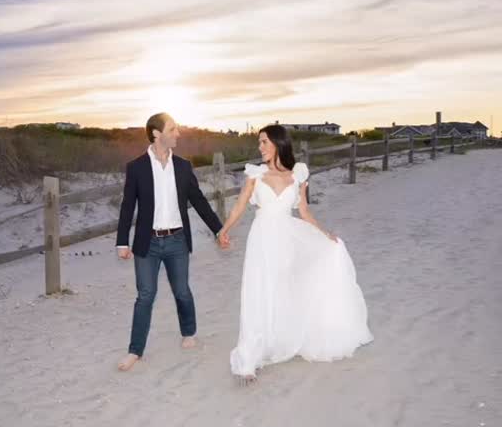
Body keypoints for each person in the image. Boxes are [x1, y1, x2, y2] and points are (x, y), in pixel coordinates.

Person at [220, 124, 373, 383]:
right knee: (257, 292)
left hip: (286, 238)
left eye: (264, 142)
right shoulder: (255, 174)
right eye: (259, 143)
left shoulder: (298, 175)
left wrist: (326, 235)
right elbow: (239, 205)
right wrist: (223, 230)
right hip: (261, 238)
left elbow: (303, 212)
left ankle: (281, 339)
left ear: (278, 143)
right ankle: (249, 358)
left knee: (283, 289)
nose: (260, 147)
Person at [116, 113, 229, 371]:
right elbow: (127, 207)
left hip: (177, 240)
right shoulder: (136, 167)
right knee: (145, 295)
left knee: (182, 291)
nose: (178, 133)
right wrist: (122, 241)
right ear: (156, 134)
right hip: (148, 243)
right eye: (173, 129)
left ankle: (188, 332)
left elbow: (199, 201)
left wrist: (218, 230)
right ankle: (135, 351)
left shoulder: (183, 166)